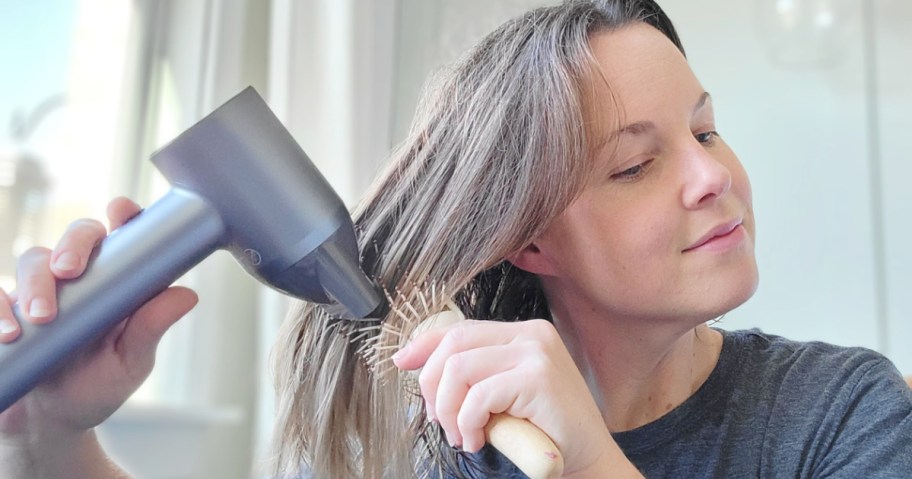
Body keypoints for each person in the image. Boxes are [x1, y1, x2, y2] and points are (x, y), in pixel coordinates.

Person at [2, 1, 911, 478]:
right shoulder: (429, 443)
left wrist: (590, 467)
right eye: (635, 166)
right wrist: (50, 437)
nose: (713, 175)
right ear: (528, 243)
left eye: (706, 131)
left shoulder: (839, 413)